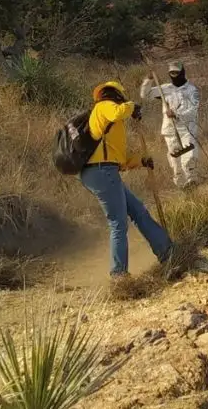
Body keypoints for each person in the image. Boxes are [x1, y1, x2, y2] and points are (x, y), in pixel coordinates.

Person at [81, 81, 173, 279]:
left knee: (138, 211)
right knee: (118, 223)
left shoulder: (111, 126)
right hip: (100, 171)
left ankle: (168, 253)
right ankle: (119, 275)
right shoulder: (104, 106)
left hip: (106, 171)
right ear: (115, 94)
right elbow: (118, 112)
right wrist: (132, 107)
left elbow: (120, 162)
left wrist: (141, 160)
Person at [140, 62, 200, 189]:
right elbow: (144, 95)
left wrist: (177, 114)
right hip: (170, 129)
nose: (174, 75)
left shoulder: (191, 90)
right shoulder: (165, 89)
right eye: (172, 73)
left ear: (182, 72)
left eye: (176, 72)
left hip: (186, 128)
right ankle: (181, 186)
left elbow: (193, 110)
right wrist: (149, 79)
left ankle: (192, 181)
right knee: (175, 160)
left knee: (189, 156)